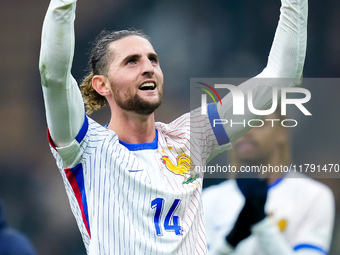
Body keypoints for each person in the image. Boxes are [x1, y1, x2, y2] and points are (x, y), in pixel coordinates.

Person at [39, 0, 308, 253]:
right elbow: (53, 74)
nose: (148, 68)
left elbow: (281, 78)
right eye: (132, 61)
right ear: (102, 84)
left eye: (153, 60)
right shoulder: (86, 147)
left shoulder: (192, 137)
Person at [202, 110, 335, 255]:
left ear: (281, 132)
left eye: (259, 123)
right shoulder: (208, 199)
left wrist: (261, 222)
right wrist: (230, 241)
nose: (247, 132)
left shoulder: (314, 196)